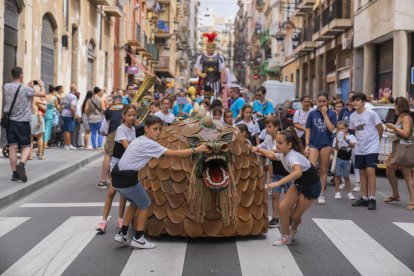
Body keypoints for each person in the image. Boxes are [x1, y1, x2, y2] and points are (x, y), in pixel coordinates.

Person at [111, 115, 209, 249]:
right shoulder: (148, 143)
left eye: (159, 129)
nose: (158, 132)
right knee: (145, 204)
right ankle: (138, 238)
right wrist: (196, 150)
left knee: (134, 203)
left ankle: (122, 234)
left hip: (118, 177)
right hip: (127, 178)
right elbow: (173, 153)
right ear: (146, 128)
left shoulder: (139, 139)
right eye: (155, 129)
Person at [254, 129, 321, 246]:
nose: (277, 145)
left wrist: (277, 183)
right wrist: (258, 149)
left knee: (295, 217)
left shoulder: (292, 157)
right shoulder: (283, 154)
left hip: (311, 187)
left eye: (280, 143)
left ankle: (293, 228)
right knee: (283, 207)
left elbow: (298, 172)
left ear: (289, 145)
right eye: (276, 142)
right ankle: (285, 236)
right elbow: (271, 155)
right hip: (299, 184)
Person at [96, 104, 136, 233]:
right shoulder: (120, 129)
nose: (132, 117)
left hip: (128, 164)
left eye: (134, 115)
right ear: (123, 116)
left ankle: (120, 219)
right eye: (129, 115)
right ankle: (103, 221)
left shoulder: (134, 129)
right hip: (117, 164)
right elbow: (128, 147)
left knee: (124, 194)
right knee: (112, 192)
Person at [4, 67, 46, 182]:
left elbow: (17, 93)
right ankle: (21, 165)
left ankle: (14, 173)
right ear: (21, 76)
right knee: (26, 146)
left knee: (12, 147)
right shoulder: (26, 89)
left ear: (12, 75)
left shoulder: (6, 86)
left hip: (10, 122)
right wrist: (41, 84)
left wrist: (26, 86)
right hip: (22, 123)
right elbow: (42, 93)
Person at [349, 92, 383, 210]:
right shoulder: (352, 116)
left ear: (363, 102)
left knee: (370, 171)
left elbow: (380, 128)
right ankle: (364, 197)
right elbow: (353, 132)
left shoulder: (371, 114)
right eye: (354, 100)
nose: (355, 102)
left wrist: (376, 142)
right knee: (362, 172)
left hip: (372, 147)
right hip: (359, 148)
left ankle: (372, 198)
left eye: (358, 100)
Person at [256, 116, 291, 228]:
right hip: (276, 172)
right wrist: (254, 148)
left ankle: (290, 217)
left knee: (288, 196)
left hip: (287, 172)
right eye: (266, 126)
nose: (267, 129)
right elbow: (261, 146)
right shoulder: (268, 138)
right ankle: (275, 218)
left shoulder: (282, 137)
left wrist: (263, 151)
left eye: (269, 127)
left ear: (276, 127)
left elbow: (274, 151)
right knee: (275, 196)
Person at [305, 92, 337, 204]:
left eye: (324, 101)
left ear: (327, 101)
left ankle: (321, 194)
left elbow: (331, 129)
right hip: (314, 144)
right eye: (320, 101)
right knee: (312, 168)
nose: (322, 103)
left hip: (326, 144)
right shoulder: (312, 113)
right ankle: (311, 190)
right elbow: (308, 129)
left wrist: (325, 115)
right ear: (317, 101)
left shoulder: (332, 114)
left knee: (324, 170)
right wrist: (307, 145)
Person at [384, 96, 414, 210]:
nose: (394, 107)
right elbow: (398, 132)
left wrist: (393, 127)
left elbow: (406, 133)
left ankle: (412, 201)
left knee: (407, 174)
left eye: (395, 105)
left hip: (405, 149)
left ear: (400, 106)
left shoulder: (406, 118)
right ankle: (395, 194)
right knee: (389, 170)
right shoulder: (400, 117)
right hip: (398, 148)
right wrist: (388, 128)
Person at [338, 91, 360, 192]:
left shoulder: (357, 112)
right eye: (350, 98)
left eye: (354, 98)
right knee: (344, 161)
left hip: (355, 139)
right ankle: (343, 182)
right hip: (344, 140)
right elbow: (338, 124)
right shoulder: (343, 111)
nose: (352, 100)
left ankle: (357, 183)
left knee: (355, 162)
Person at [195, 32, 225, 98]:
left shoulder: (219, 57)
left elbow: (222, 71)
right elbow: (197, 70)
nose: (210, 49)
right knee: (204, 98)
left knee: (215, 98)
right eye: (208, 47)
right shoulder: (201, 57)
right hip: (205, 82)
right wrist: (201, 74)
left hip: (216, 81)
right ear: (206, 48)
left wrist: (222, 83)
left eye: (212, 48)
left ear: (214, 48)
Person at [332, 121, 356, 200]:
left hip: (347, 160)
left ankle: (349, 193)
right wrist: (337, 140)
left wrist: (346, 139)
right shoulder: (336, 138)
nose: (341, 131)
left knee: (346, 176)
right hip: (339, 158)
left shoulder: (351, 136)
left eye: (342, 128)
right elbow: (335, 148)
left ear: (346, 129)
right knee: (337, 175)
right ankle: (337, 192)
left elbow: (353, 146)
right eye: (339, 129)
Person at [61, 84, 78, 150]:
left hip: (64, 113)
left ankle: (68, 144)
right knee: (68, 130)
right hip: (69, 114)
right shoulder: (74, 97)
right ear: (75, 89)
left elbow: (61, 104)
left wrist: (61, 112)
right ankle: (68, 144)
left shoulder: (65, 96)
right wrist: (74, 115)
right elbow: (72, 107)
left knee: (66, 129)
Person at [29, 95, 46, 160]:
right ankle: (40, 155)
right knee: (40, 137)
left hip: (29, 117)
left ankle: (30, 155)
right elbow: (44, 108)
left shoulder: (27, 97)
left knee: (30, 138)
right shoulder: (36, 98)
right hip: (37, 117)